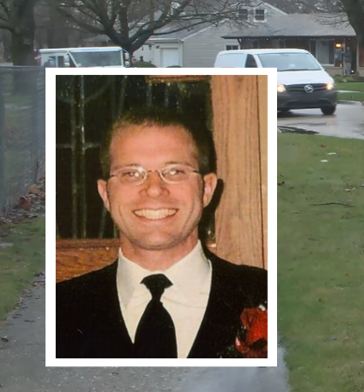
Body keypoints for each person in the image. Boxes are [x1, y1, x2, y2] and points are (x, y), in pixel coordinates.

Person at [56, 106, 267, 359]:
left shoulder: (270, 296)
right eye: (132, 173)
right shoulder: (55, 310)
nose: (154, 189)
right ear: (105, 195)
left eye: (175, 172)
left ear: (207, 189)